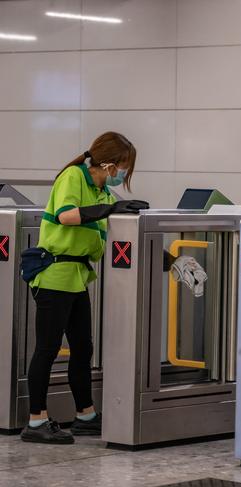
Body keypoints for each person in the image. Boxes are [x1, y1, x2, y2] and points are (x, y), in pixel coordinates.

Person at [21, 132, 149, 444]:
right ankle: (36, 422)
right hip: (54, 274)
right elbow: (66, 216)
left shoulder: (102, 191)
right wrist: (110, 210)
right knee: (48, 348)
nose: (121, 175)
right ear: (108, 164)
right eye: (122, 168)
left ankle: (85, 415)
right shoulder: (72, 177)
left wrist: (171, 260)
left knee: (83, 348)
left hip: (77, 276)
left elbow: (116, 232)